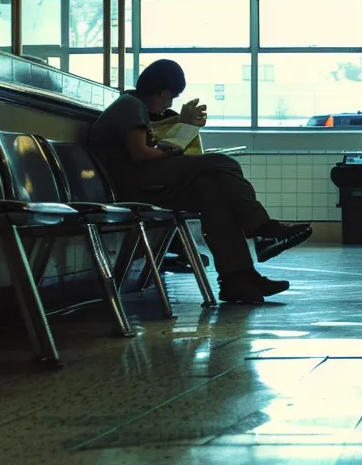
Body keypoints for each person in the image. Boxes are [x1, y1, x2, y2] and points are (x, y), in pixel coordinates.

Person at [88, 60, 311, 304]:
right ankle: (262, 230)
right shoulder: (130, 106)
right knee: (223, 163)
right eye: (170, 98)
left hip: (142, 183)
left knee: (212, 193)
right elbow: (140, 154)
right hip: (135, 185)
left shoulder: (130, 105)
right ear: (164, 93)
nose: (169, 104)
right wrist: (170, 149)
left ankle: (237, 279)